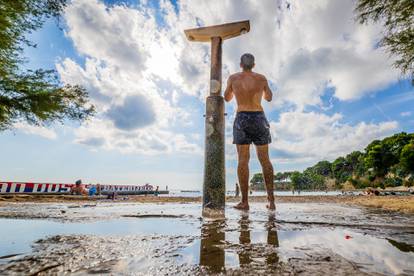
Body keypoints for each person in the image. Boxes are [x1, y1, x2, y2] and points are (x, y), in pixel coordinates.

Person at [224, 53, 275, 211]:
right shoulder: (261, 78)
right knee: (265, 160)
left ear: (241, 64)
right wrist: (260, 91)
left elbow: (226, 97)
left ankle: (245, 202)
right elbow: (269, 98)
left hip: (242, 118)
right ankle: (271, 202)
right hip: (259, 117)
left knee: (243, 160)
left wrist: (235, 90)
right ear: (253, 65)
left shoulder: (233, 78)